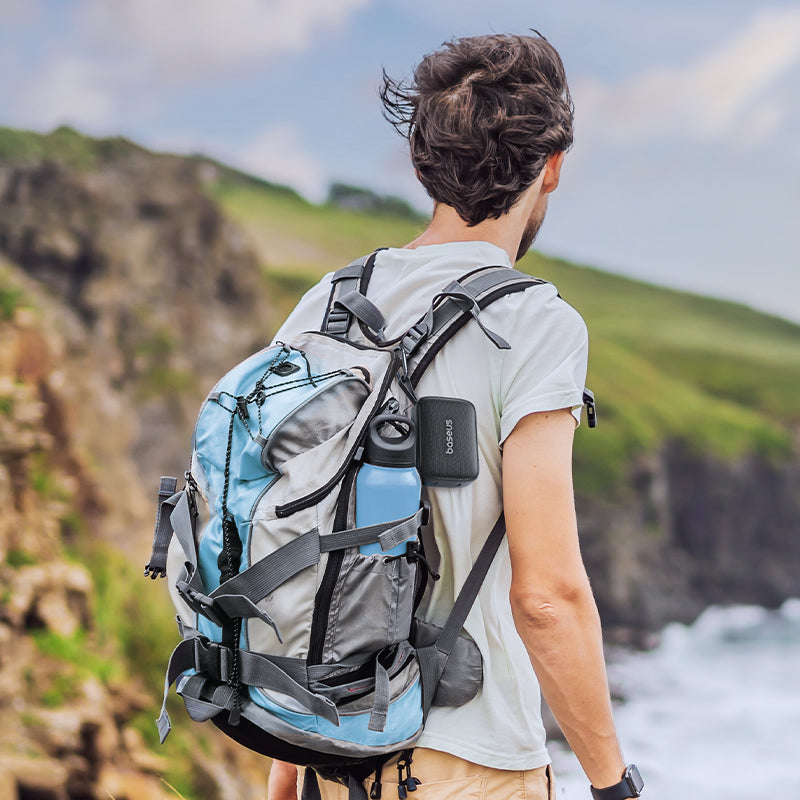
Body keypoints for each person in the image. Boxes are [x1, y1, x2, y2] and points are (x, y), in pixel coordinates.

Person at [268, 32, 641, 800]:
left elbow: (296, 546)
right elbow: (545, 596)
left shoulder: (325, 309)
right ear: (553, 167)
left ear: (418, 163)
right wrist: (613, 785)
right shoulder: (536, 325)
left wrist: (289, 763)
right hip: (468, 762)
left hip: (330, 745)